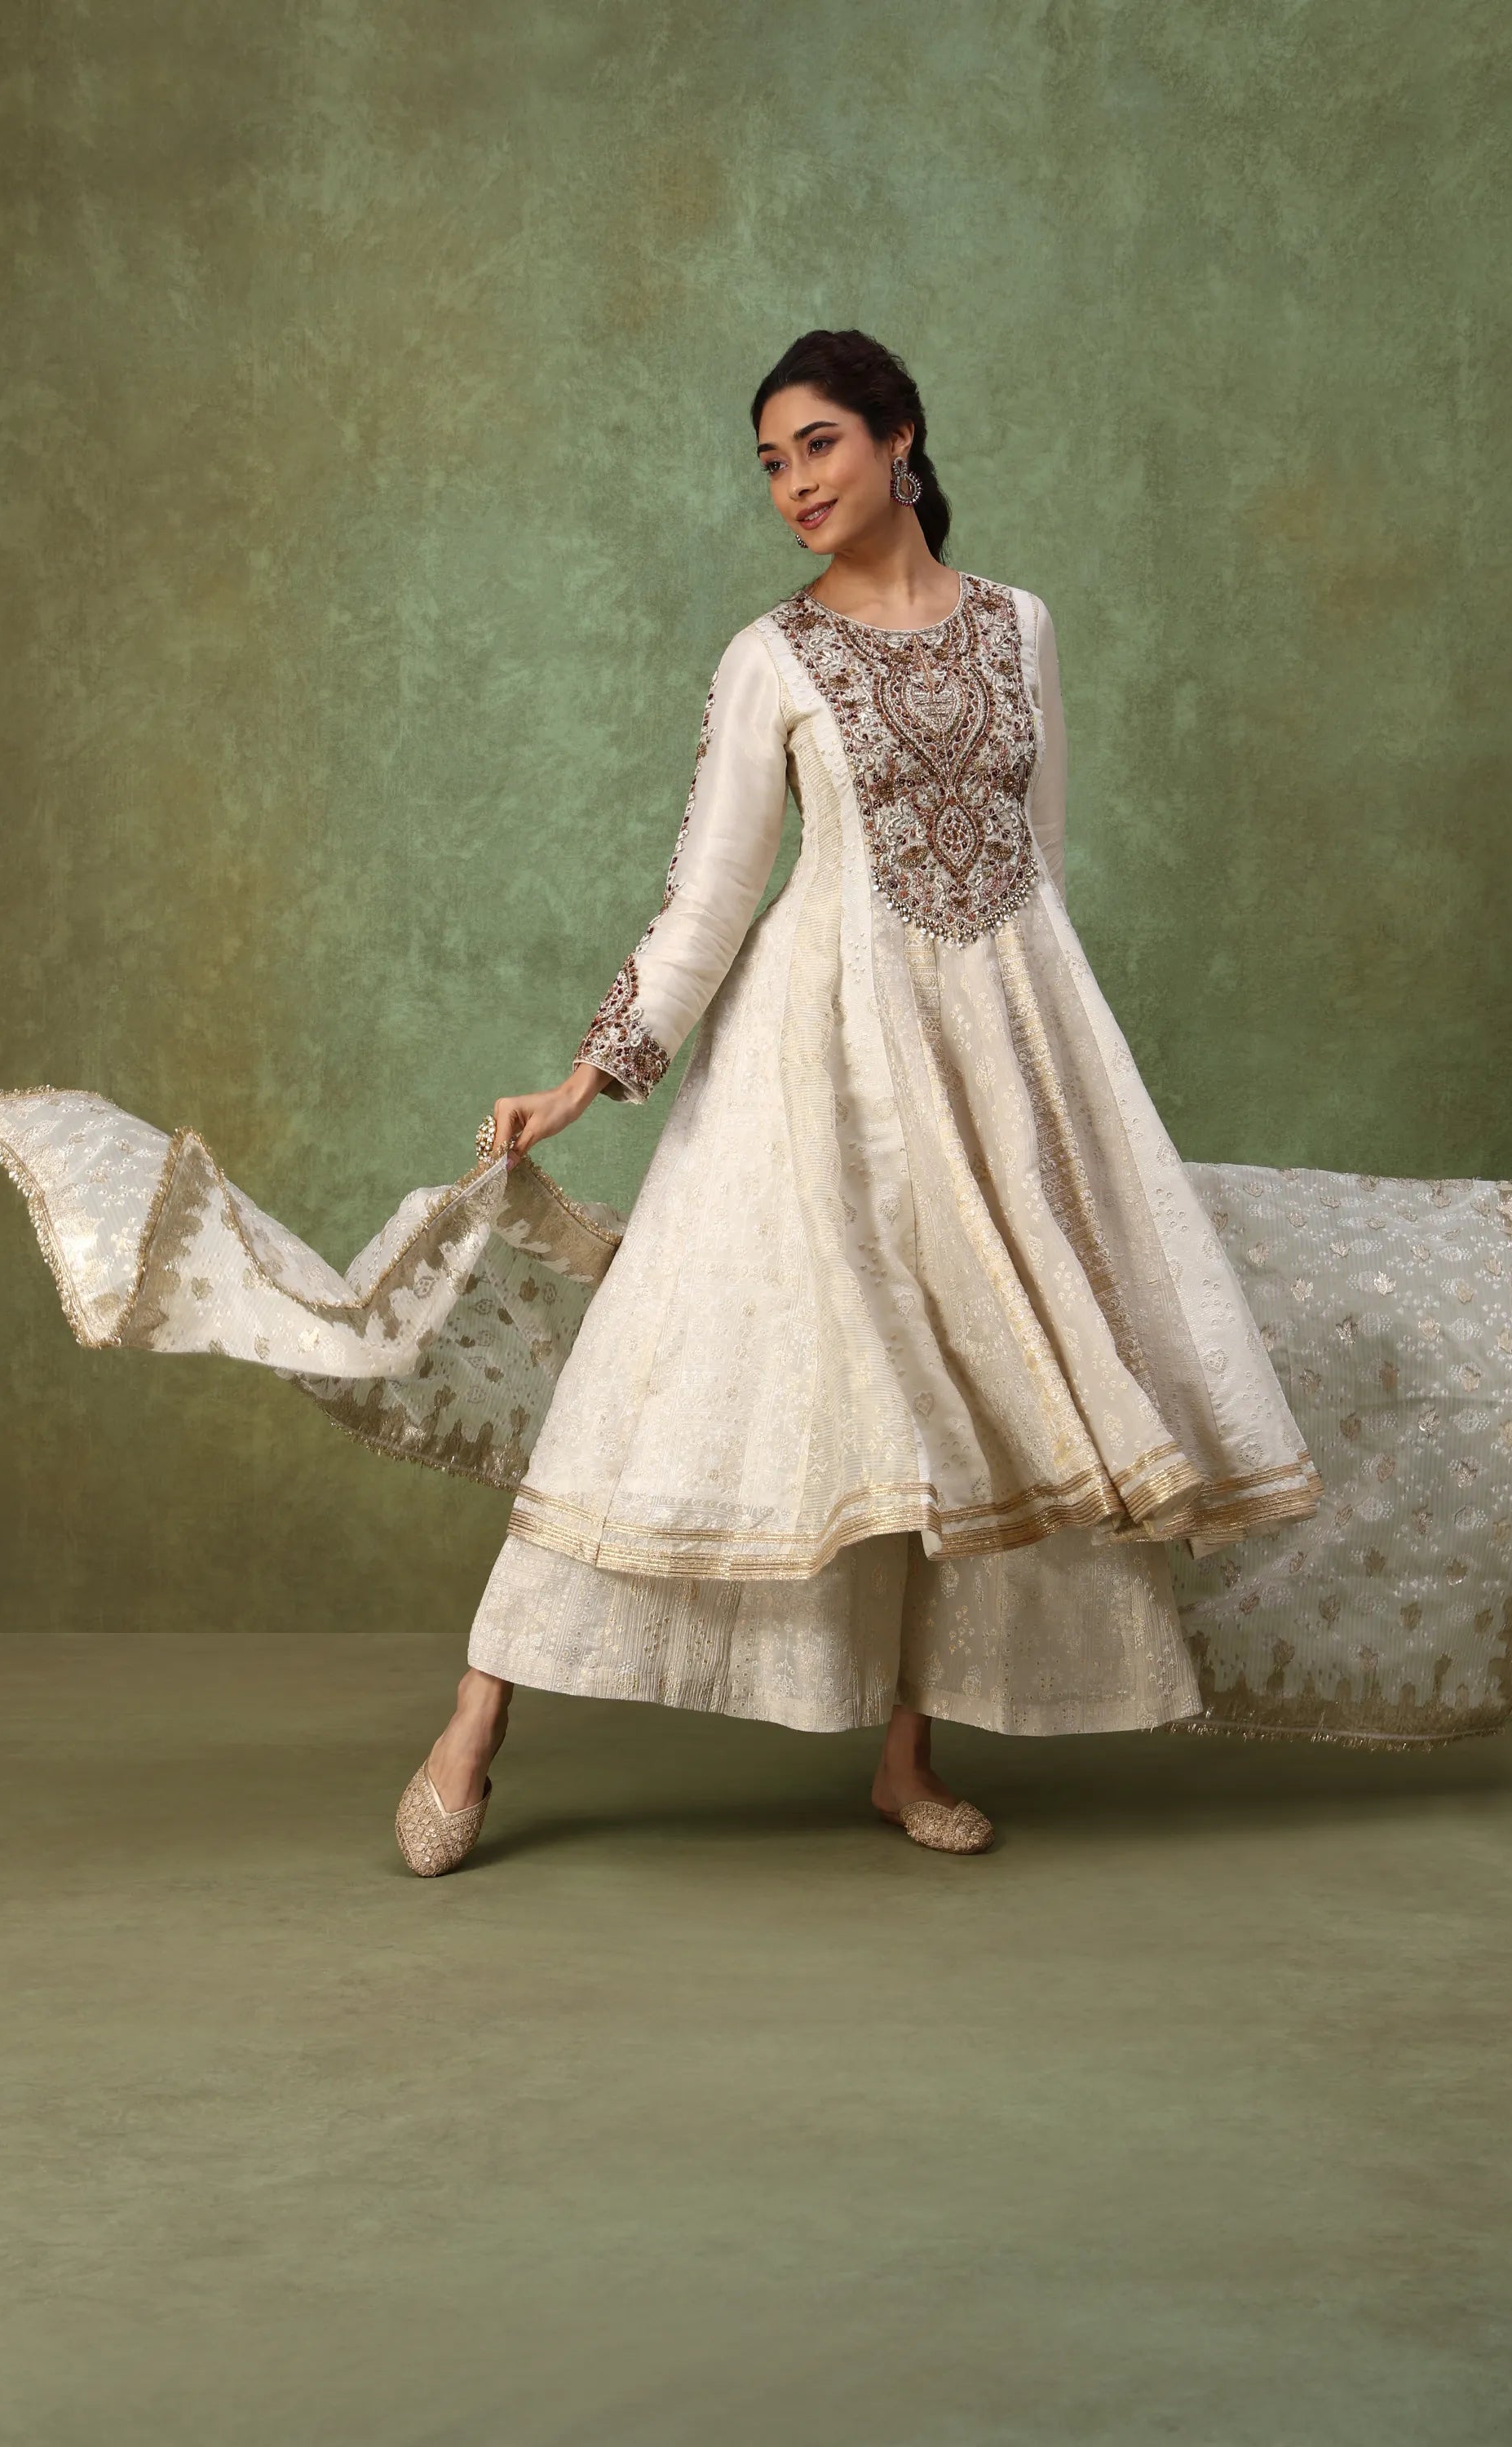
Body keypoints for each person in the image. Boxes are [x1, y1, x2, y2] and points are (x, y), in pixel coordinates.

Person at [395, 327, 1323, 1877]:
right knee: (666, 1375)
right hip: (814, 1063)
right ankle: (473, 1727)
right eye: (770, 462)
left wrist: (1046, 1067)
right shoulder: (770, 658)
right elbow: (708, 899)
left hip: (999, 1049)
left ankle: (907, 1762)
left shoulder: (1021, 629)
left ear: (902, 440)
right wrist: (593, 1073)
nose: (791, 486)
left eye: (816, 445)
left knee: (961, 1389)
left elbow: (1047, 865)